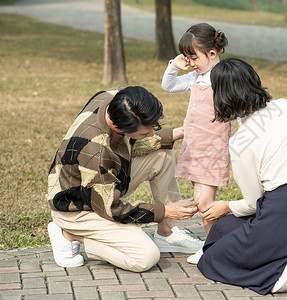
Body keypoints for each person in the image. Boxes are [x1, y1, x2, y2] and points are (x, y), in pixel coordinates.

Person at [196, 58, 287, 294]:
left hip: (280, 215)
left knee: (210, 259)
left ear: (221, 96)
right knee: (222, 230)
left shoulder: (241, 142)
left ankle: (280, 272)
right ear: (254, 81)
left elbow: (252, 204)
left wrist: (225, 205)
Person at [47, 85, 203, 272]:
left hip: (100, 185)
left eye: (153, 128)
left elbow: (130, 144)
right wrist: (164, 211)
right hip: (78, 207)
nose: (152, 134)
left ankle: (166, 233)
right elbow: (111, 209)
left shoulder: (116, 97)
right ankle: (70, 234)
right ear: (119, 127)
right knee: (145, 257)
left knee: (162, 156)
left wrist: (177, 133)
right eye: (145, 133)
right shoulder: (95, 152)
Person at [161, 23, 231, 264]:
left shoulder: (225, 78)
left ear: (212, 54)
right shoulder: (195, 76)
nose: (190, 62)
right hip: (193, 147)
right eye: (187, 57)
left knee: (205, 203)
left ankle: (212, 249)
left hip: (212, 149)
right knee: (203, 202)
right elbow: (168, 86)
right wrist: (173, 66)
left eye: (193, 57)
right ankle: (213, 246)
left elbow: (239, 111)